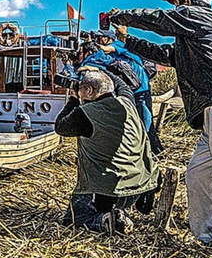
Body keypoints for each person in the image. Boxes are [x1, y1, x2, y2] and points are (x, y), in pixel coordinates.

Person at [109, 0, 212, 248]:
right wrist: (126, 39)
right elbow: (165, 54)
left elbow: (158, 19)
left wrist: (120, 16)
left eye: (177, 4)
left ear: (187, 3)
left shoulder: (201, 17)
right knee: (200, 175)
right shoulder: (197, 38)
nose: (175, 9)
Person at [55, 70, 159, 235]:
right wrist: (102, 71)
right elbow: (122, 85)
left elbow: (60, 126)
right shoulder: (127, 102)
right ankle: (120, 211)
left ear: (89, 91)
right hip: (139, 186)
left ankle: (105, 219)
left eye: (83, 89)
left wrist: (74, 99)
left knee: (73, 218)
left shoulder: (86, 113)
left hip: (108, 192)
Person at [94, 29, 163, 155]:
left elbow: (115, 50)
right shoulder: (105, 54)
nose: (99, 40)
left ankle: (156, 153)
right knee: (132, 126)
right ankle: (142, 152)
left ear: (109, 38)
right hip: (128, 93)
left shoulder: (119, 45)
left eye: (101, 38)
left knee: (146, 125)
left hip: (141, 91)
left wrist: (106, 48)